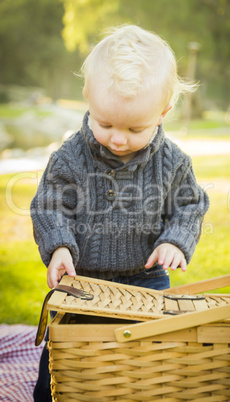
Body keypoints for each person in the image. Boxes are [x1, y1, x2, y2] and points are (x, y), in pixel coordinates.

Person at [31, 25, 209, 401]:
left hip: (146, 280)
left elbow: (191, 204)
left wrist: (176, 240)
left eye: (134, 128)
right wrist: (59, 246)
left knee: (150, 358)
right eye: (105, 123)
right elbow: (50, 204)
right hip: (83, 284)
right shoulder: (69, 157)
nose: (117, 138)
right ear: (87, 98)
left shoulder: (173, 162)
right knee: (66, 353)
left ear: (164, 112)